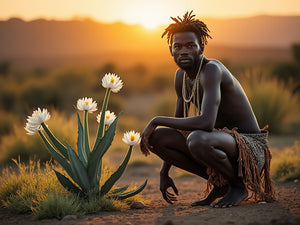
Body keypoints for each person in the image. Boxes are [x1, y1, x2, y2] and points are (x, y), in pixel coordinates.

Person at [140, 11, 275, 208]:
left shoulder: (212, 70)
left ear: (201, 47)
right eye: (178, 46)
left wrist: (155, 120)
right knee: (157, 138)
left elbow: (206, 123)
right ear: (171, 50)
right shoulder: (181, 77)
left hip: (249, 149)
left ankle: (238, 186)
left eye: (190, 46)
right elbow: (177, 129)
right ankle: (223, 185)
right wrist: (164, 172)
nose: (183, 51)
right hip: (218, 141)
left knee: (196, 139)